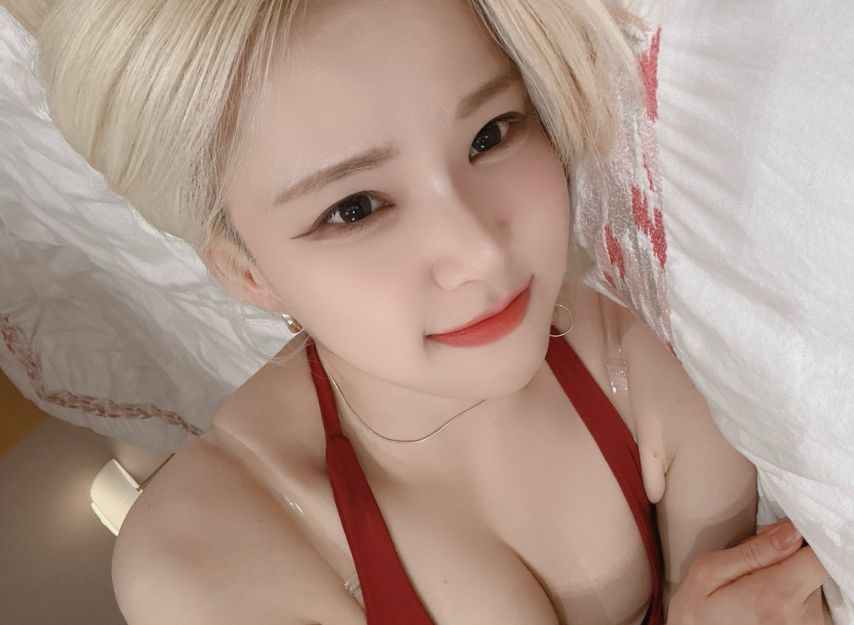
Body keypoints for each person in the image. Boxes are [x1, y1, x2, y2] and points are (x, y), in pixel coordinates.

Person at [6, 0, 830, 622]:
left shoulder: (638, 348)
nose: (479, 251)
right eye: (356, 207)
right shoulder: (207, 555)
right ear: (248, 272)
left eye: (490, 134)